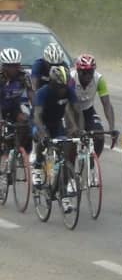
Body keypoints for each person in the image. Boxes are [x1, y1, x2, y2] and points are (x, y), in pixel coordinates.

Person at [32, 66, 84, 212]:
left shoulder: (69, 91)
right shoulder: (43, 92)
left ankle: (64, 194)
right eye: (60, 86)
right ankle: (37, 166)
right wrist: (43, 134)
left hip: (56, 125)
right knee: (42, 139)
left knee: (65, 155)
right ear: (53, 83)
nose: (63, 90)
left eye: (65, 86)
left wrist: (79, 131)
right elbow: (37, 116)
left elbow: (78, 110)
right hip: (41, 122)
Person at [72, 54, 116, 156]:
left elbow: (107, 105)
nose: (88, 76)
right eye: (84, 72)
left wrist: (111, 128)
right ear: (78, 71)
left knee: (99, 136)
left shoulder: (99, 79)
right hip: (72, 111)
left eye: (90, 72)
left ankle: (92, 164)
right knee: (73, 138)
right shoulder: (71, 79)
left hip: (88, 110)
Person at [0, 48, 33, 151]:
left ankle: (18, 150)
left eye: (16, 65)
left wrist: (36, 112)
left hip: (14, 107)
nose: (13, 69)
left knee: (25, 122)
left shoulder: (24, 76)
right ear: (3, 66)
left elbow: (31, 94)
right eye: (9, 66)